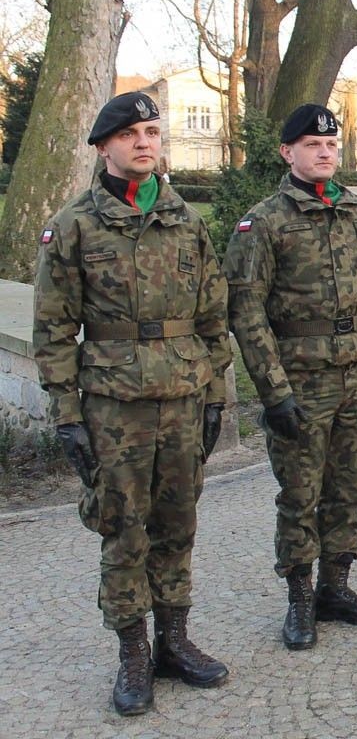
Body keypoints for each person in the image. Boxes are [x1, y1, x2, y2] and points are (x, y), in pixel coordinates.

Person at [33, 93, 232, 715]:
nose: (145, 142)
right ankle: (133, 653)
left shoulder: (185, 221)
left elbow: (211, 315)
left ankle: (174, 640)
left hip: (181, 394)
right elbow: (54, 330)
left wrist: (215, 394)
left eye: (152, 131)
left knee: (178, 522)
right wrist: (68, 416)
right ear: (104, 147)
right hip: (113, 406)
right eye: (131, 134)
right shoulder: (74, 225)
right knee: (123, 529)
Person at [223, 104, 357, 650]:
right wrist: (273, 390)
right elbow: (247, 312)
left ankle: (337, 585)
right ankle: (300, 598)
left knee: (348, 488)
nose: (325, 152)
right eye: (312, 144)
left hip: (355, 377)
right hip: (300, 382)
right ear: (288, 152)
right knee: (300, 494)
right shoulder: (263, 223)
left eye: (331, 144)